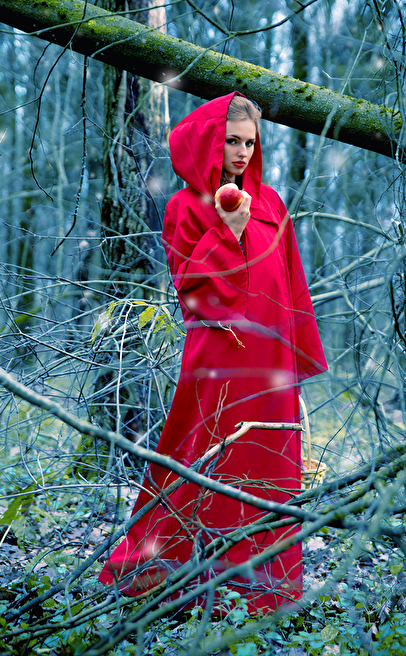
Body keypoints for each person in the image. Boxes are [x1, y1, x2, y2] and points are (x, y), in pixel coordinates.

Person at [98, 92, 327, 613]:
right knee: (202, 457)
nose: (242, 152)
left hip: (270, 360)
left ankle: (265, 587)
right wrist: (227, 231)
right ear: (209, 142)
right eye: (231, 141)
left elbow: (291, 282)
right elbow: (191, 289)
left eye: (250, 143)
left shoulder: (272, 203)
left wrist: (296, 353)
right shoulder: (183, 206)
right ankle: (173, 570)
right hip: (218, 355)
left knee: (270, 464)